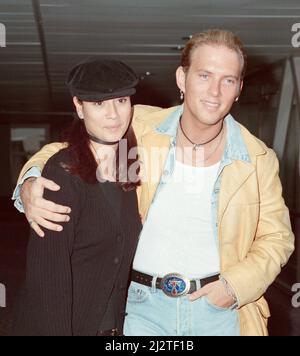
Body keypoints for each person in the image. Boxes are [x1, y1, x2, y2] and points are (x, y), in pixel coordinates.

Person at [13, 30, 294, 336]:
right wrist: (30, 178)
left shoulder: (257, 158)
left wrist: (233, 287)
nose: (214, 91)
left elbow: (277, 238)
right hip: (141, 309)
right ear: (181, 79)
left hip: (219, 311)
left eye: (228, 80)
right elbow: (76, 146)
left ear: (239, 88)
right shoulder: (141, 126)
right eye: (204, 75)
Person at [11, 58, 142, 336]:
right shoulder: (62, 173)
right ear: (79, 107)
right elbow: (48, 279)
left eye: (121, 101)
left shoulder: (128, 173)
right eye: (98, 104)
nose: (113, 115)